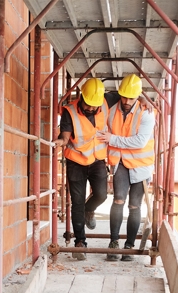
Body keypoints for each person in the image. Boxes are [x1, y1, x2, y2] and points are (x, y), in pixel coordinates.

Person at [52, 78, 119, 260]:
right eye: (88, 105)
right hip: (76, 161)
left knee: (102, 195)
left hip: (97, 160)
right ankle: (80, 242)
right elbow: (65, 136)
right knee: (77, 203)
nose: (92, 108)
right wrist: (61, 141)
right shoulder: (70, 111)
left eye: (94, 106)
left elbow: (128, 97)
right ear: (82, 96)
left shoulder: (105, 100)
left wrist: (143, 99)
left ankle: (90, 210)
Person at [96, 74, 156, 261]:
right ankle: (114, 242)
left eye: (132, 97)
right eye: (125, 97)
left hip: (141, 165)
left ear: (138, 96)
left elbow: (140, 141)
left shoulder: (146, 113)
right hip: (121, 161)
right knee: (119, 200)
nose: (127, 101)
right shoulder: (112, 105)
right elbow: (95, 97)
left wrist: (112, 139)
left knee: (134, 205)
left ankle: (129, 246)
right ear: (119, 94)